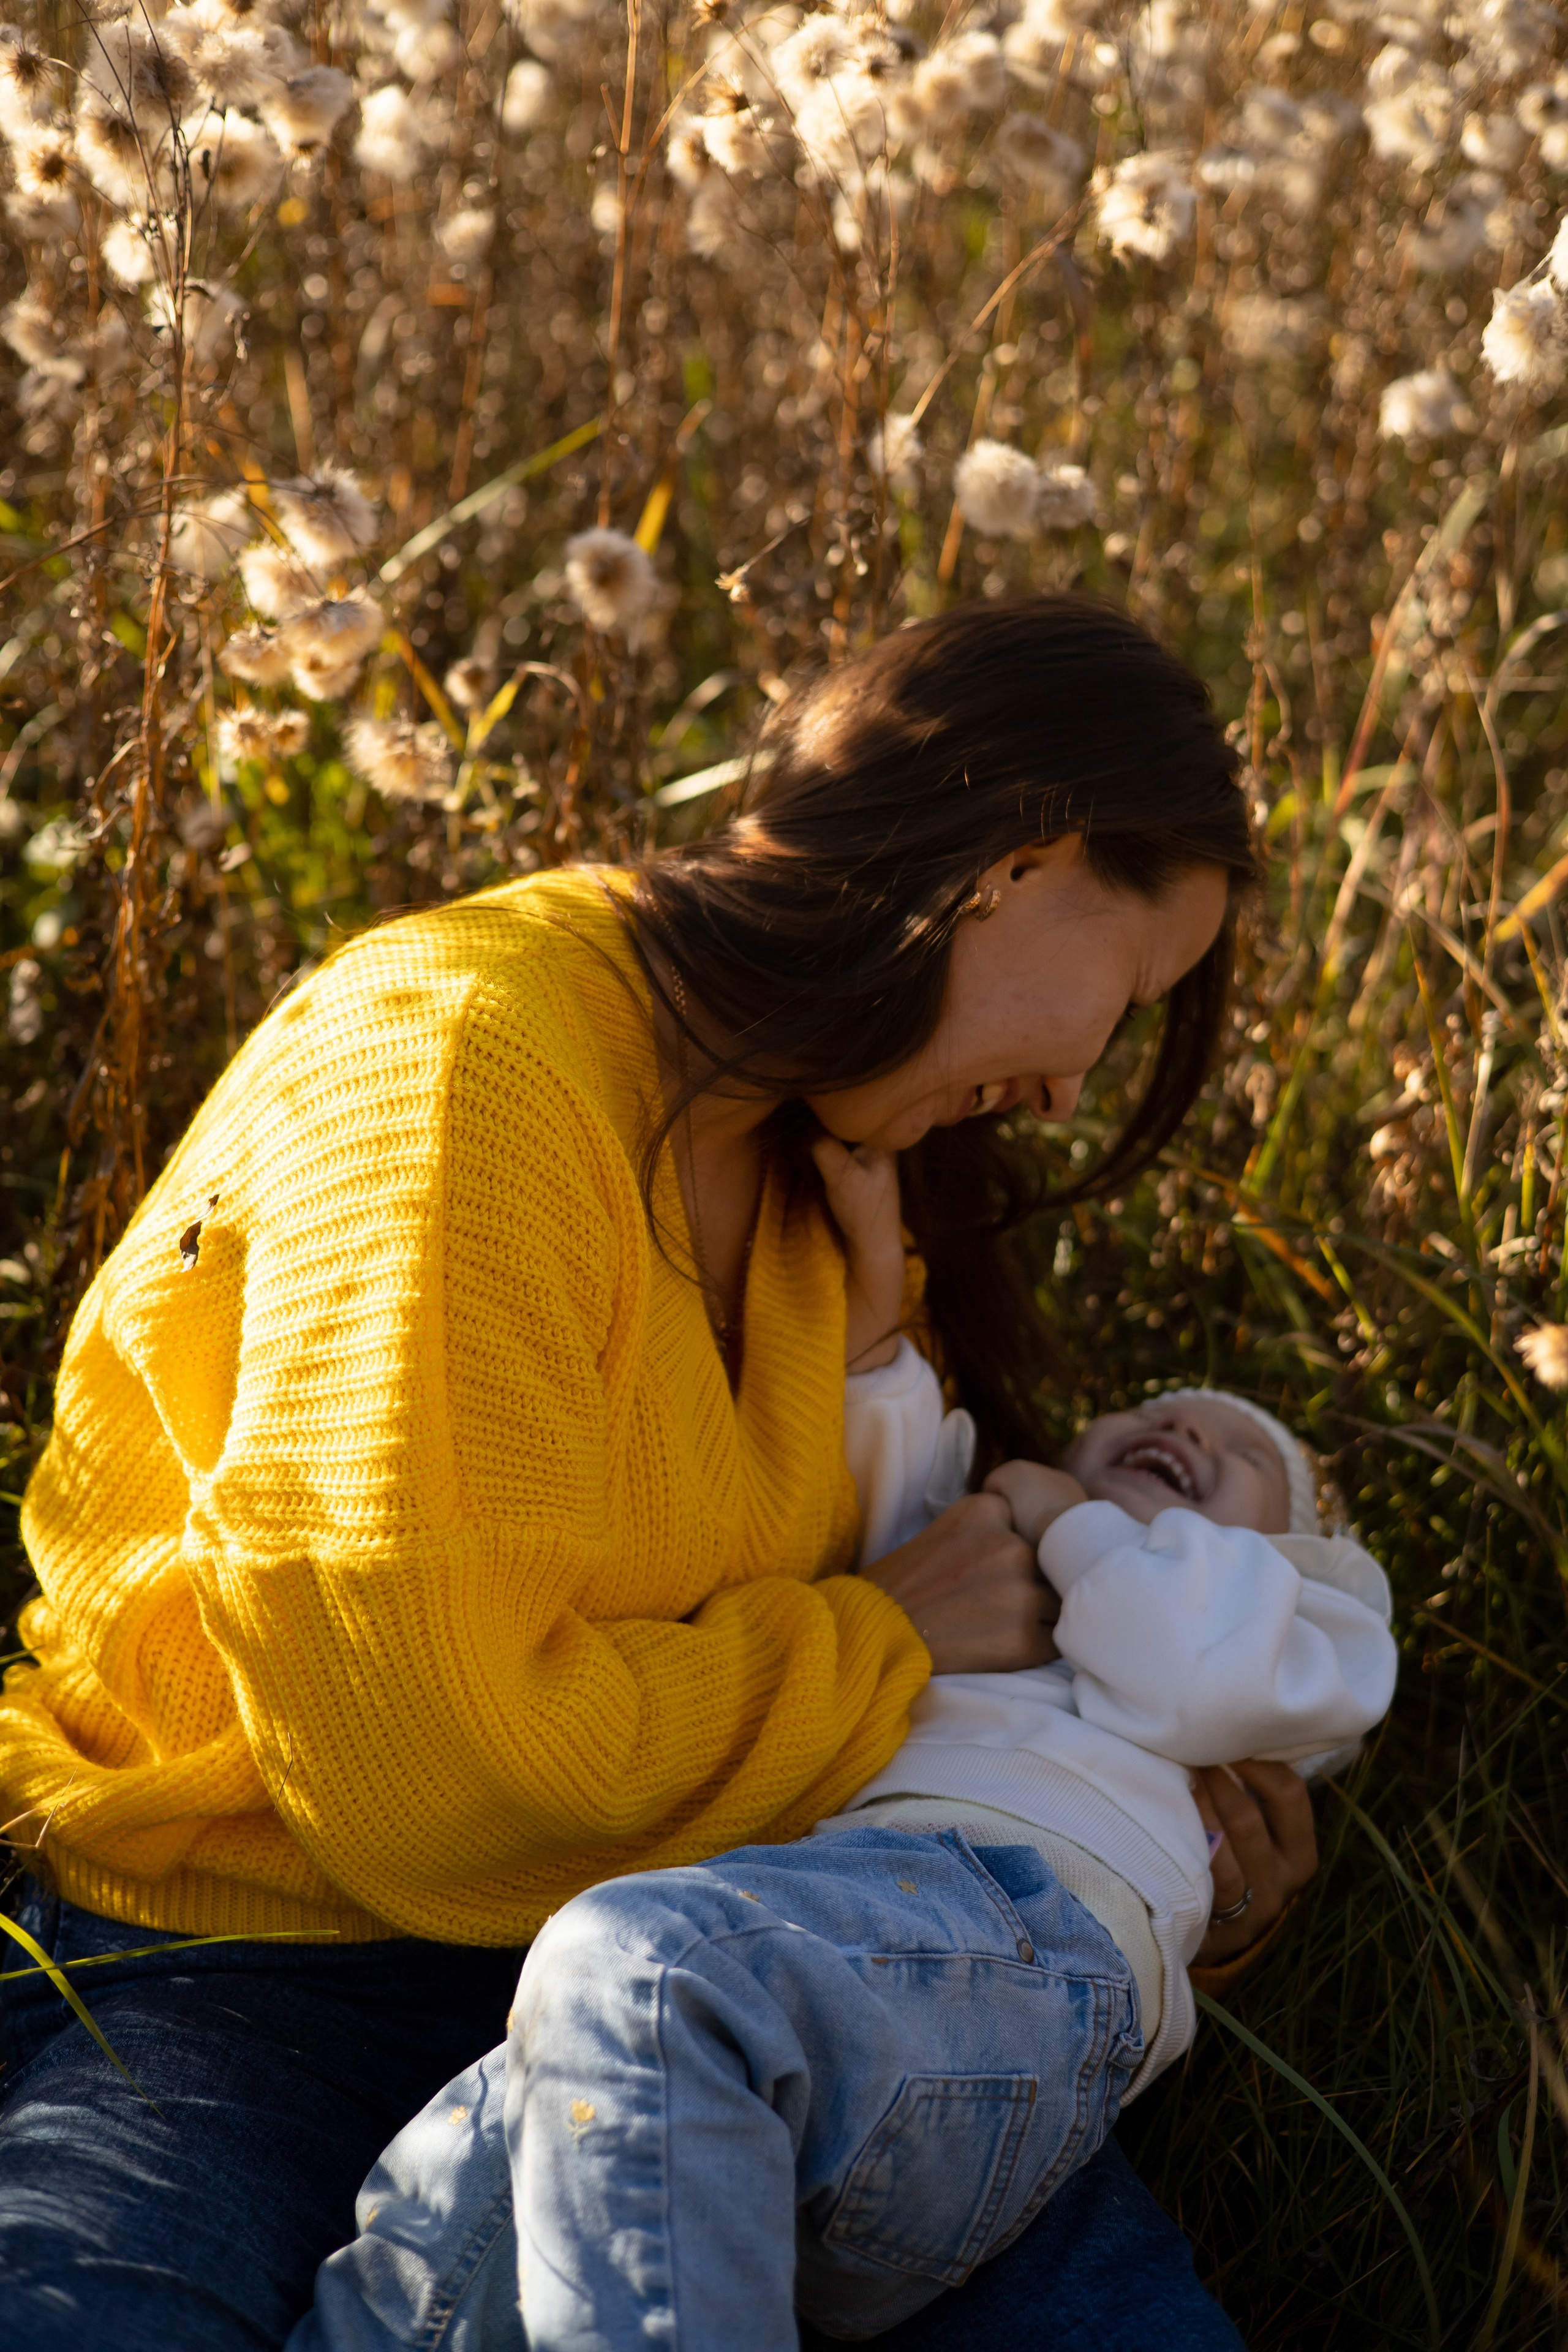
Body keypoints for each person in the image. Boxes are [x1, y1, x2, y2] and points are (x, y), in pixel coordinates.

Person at [0, 595, 1308, 2350]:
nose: (1077, 1085)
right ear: (1016, 862)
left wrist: (1173, 1885)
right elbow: (423, 1760)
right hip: (250, 1978)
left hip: (729, 1978)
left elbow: (922, 1709)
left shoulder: (819, 1182)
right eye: (1125, 996)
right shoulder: (467, 1059)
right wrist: (883, 1636)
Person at [286, 1145, 1395, 2352]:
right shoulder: (998, 1548)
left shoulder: (1288, 1633)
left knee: (643, 1969)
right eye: (1151, 1413)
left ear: (1298, 1568)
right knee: (430, 2226)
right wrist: (869, 1300)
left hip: (1012, 1944)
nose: (1182, 1423)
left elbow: (1200, 1663)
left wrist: (1068, 1519)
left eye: (1238, 1462)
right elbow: (873, 1469)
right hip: (834, 1989)